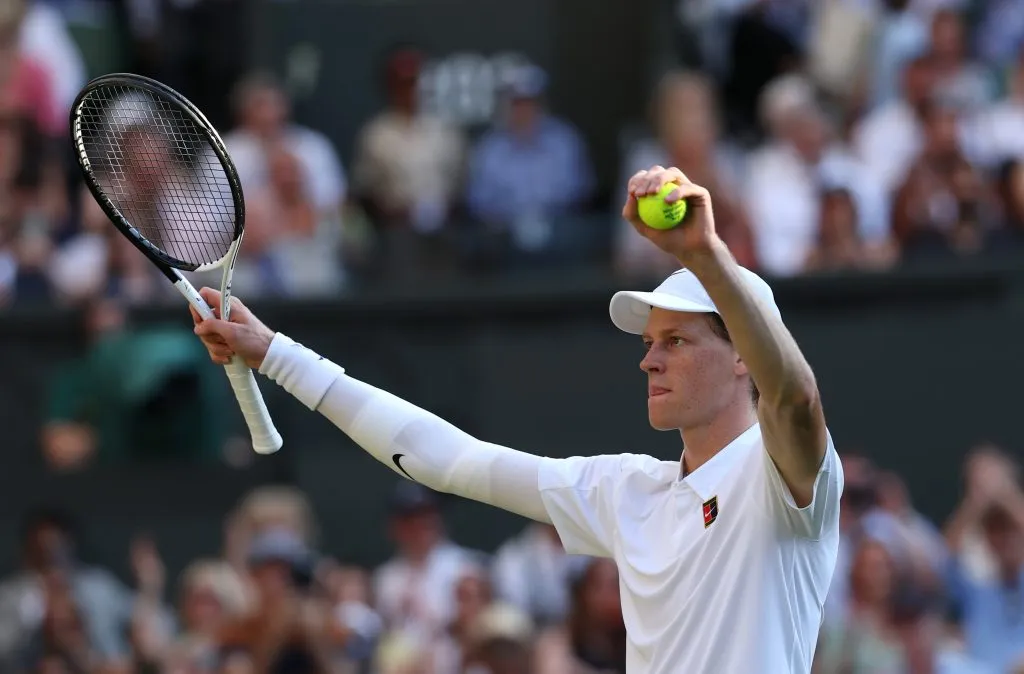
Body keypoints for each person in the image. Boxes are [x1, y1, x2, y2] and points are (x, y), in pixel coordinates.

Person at [189, 166, 844, 673]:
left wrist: (706, 257)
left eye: (676, 341)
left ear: (741, 361)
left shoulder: (782, 480)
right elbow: (448, 460)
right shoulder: (628, 492)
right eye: (649, 343)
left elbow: (795, 401)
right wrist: (276, 354)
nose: (649, 362)